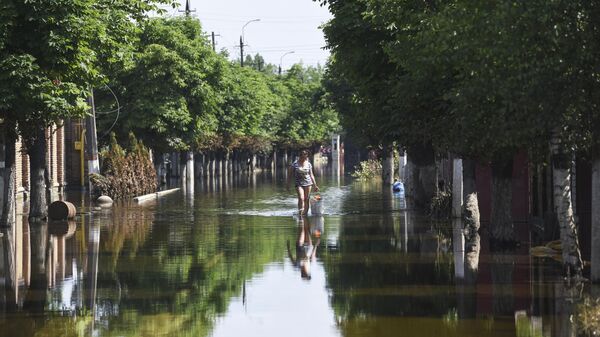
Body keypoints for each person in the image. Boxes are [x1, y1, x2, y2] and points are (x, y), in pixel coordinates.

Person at [287, 149, 319, 216]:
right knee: (301, 198)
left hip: (308, 183)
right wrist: (288, 185)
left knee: (306, 199)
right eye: (302, 157)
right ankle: (300, 213)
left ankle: (305, 214)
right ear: (300, 156)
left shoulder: (309, 164)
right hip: (298, 183)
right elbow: (289, 175)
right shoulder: (295, 164)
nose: (304, 158)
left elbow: (311, 175)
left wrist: (315, 185)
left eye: (305, 157)